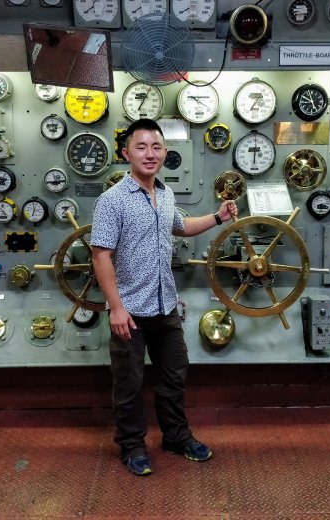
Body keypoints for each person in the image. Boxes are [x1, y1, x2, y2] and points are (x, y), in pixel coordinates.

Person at [91, 118, 238, 476]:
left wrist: (218, 217)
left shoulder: (166, 194)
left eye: (156, 147)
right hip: (131, 310)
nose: (149, 153)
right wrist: (116, 307)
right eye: (141, 147)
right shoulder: (111, 201)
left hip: (165, 306)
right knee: (128, 384)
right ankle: (131, 445)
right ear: (126, 153)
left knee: (174, 377)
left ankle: (175, 436)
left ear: (165, 153)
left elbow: (180, 226)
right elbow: (100, 255)